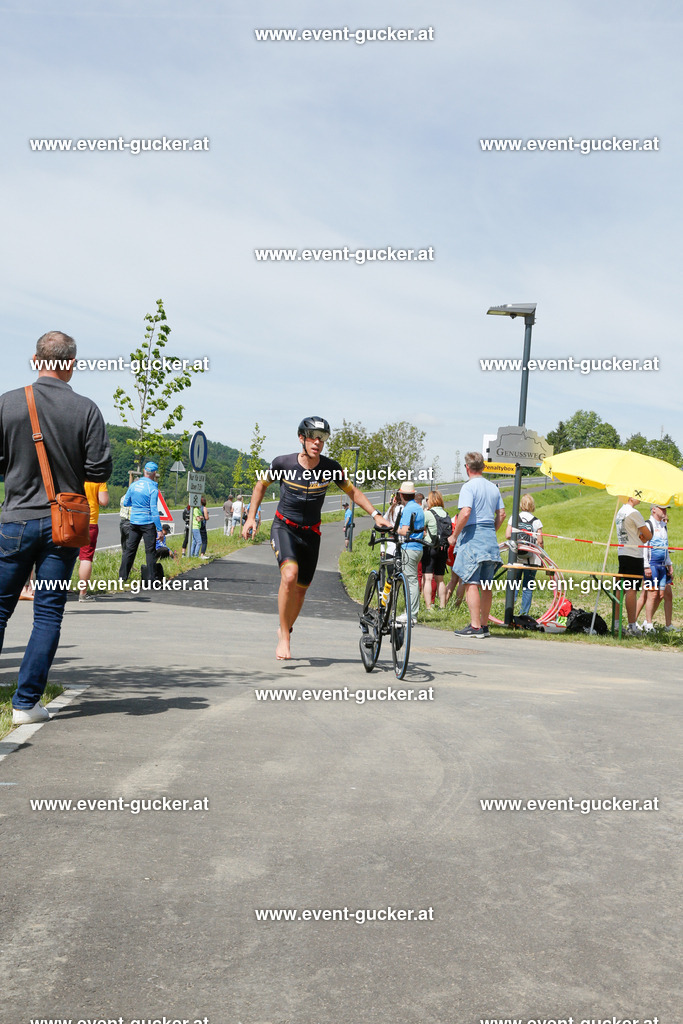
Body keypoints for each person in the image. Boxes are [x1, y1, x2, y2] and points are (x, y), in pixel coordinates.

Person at [0, 330, 111, 724]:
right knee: (48, 614)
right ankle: (26, 704)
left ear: (36, 359)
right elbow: (100, 469)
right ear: (73, 364)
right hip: (63, 527)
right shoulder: (86, 410)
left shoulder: (8, 402)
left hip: (14, 520)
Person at [242, 416, 390, 660]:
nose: (317, 443)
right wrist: (250, 518)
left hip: (311, 533)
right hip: (284, 528)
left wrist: (375, 515)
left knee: (301, 590)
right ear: (302, 438)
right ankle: (284, 637)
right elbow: (260, 486)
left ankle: (286, 627)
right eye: (313, 437)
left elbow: (352, 491)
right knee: (289, 576)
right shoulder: (283, 463)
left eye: (322, 439)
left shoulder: (330, 467)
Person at [448, 452, 505, 638]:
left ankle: (474, 627)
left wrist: (454, 536)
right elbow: (502, 514)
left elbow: (465, 512)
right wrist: (492, 531)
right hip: (489, 537)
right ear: (483, 467)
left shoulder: (468, 487)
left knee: (471, 581)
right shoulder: (493, 487)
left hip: (473, 536)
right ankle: (484, 625)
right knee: (487, 584)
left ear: (467, 467)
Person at [119, 462, 162, 583]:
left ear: (144, 471)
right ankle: (153, 579)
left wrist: (137, 505)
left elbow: (126, 502)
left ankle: (122, 577)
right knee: (150, 551)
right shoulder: (153, 488)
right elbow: (154, 510)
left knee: (130, 550)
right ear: (154, 473)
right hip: (147, 522)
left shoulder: (133, 485)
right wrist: (159, 529)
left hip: (134, 522)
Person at [615, 496, 652, 636]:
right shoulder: (634, 513)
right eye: (638, 495)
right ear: (631, 497)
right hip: (634, 554)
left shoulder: (620, 511)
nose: (640, 498)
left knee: (620, 588)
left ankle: (616, 623)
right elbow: (648, 535)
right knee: (632, 589)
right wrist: (643, 536)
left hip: (622, 552)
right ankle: (632, 625)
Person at [505, 493, 543, 618]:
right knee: (528, 586)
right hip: (531, 559)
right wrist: (542, 557)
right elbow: (540, 541)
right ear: (532, 505)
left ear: (521, 504)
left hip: (516, 557)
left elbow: (507, 535)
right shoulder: (536, 522)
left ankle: (509, 611)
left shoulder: (514, 518)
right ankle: (524, 614)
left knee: (514, 583)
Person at [395, 481, 425, 625]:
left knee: (410, 581)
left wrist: (394, 529)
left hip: (409, 547)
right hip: (418, 547)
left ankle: (411, 614)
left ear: (401, 495)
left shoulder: (408, 509)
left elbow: (405, 530)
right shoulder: (418, 507)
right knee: (412, 580)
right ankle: (410, 613)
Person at [639, 503, 673, 632]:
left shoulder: (663, 525)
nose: (665, 511)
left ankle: (663, 625)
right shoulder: (648, 524)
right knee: (651, 595)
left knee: (661, 595)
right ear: (654, 509)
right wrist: (646, 566)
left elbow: (665, 546)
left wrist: (669, 563)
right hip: (651, 565)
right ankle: (648, 624)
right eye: (662, 508)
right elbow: (644, 546)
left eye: (666, 509)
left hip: (662, 566)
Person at [77, 479, 109, 603]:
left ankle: (60, 588)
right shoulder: (98, 479)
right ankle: (83, 593)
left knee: (64, 556)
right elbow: (104, 501)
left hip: (71, 520)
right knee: (85, 557)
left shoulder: (74, 472)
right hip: (89, 520)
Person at [422, 490, 451, 610]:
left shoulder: (428, 513)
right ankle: (442, 606)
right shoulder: (446, 514)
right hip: (443, 548)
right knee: (440, 579)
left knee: (428, 578)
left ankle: (429, 607)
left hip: (430, 548)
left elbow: (420, 528)